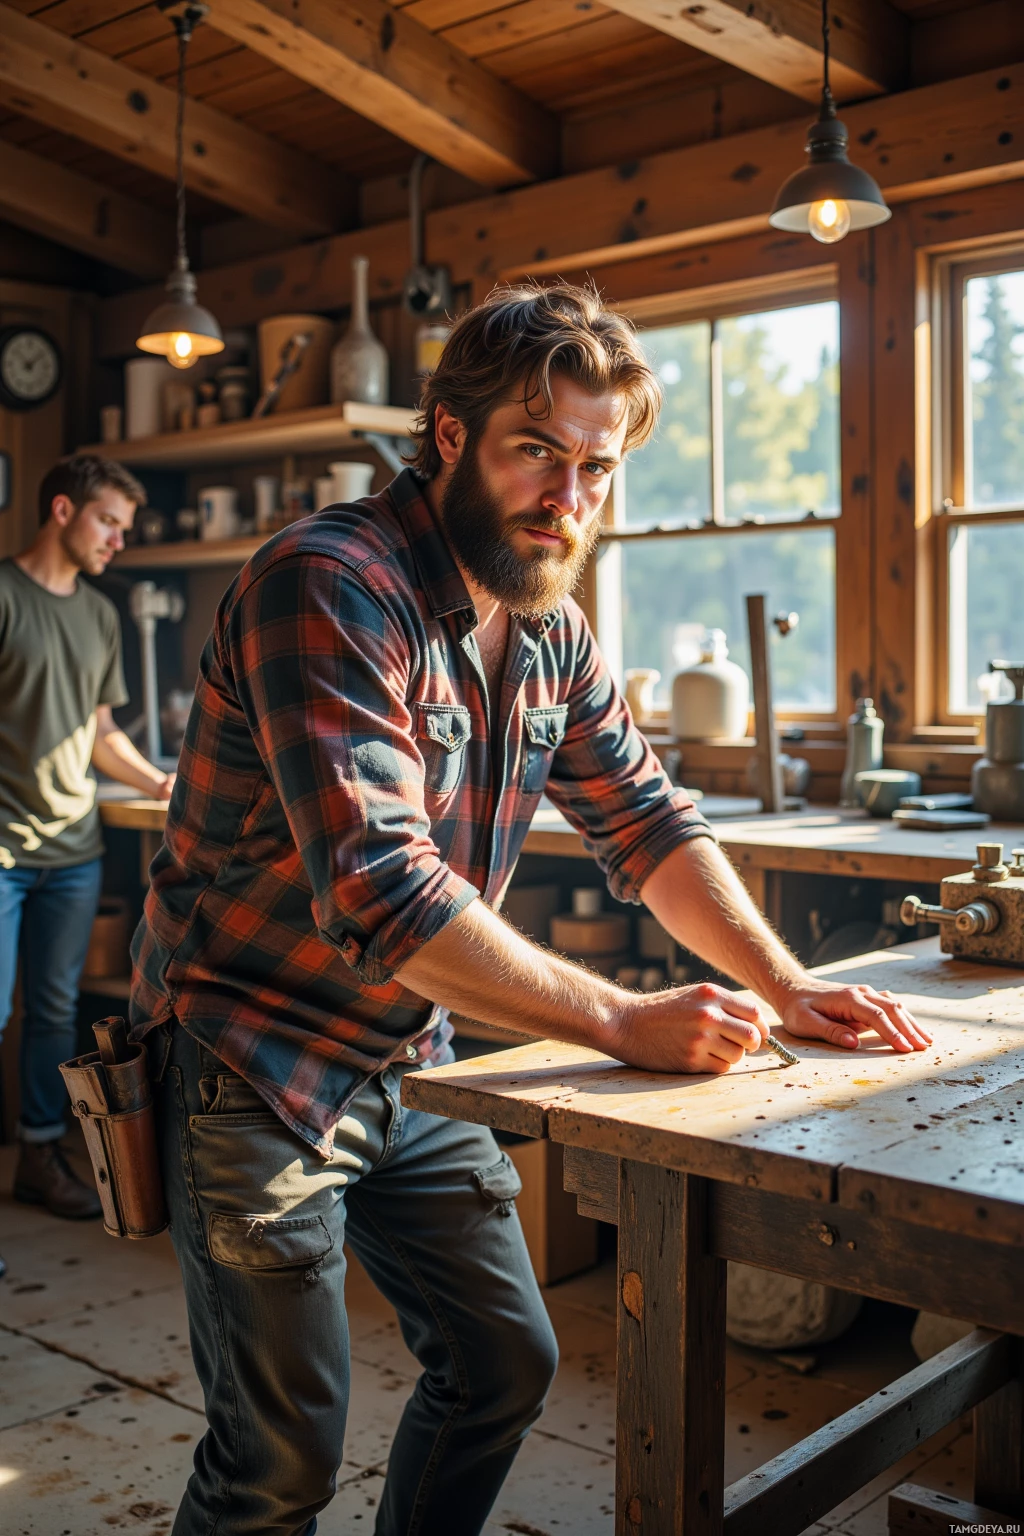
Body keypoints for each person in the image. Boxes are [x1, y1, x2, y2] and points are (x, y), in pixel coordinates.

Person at [130, 284, 930, 1536]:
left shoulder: (547, 624)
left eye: (597, 468)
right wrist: (622, 1019)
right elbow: (384, 890)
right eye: (536, 453)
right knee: (278, 1458)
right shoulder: (330, 582)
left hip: (411, 1050)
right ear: (449, 436)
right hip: (253, 1062)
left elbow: (649, 822)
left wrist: (786, 986)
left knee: (505, 1362)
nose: (569, 497)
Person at [0, 454, 174, 1221]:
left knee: (53, 1011)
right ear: (63, 511)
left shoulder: (101, 615)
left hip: (72, 851)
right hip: (2, 851)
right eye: (108, 522)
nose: (117, 542)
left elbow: (100, 733)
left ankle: (40, 1155)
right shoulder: (4, 595)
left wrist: (163, 785)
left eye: (125, 529)